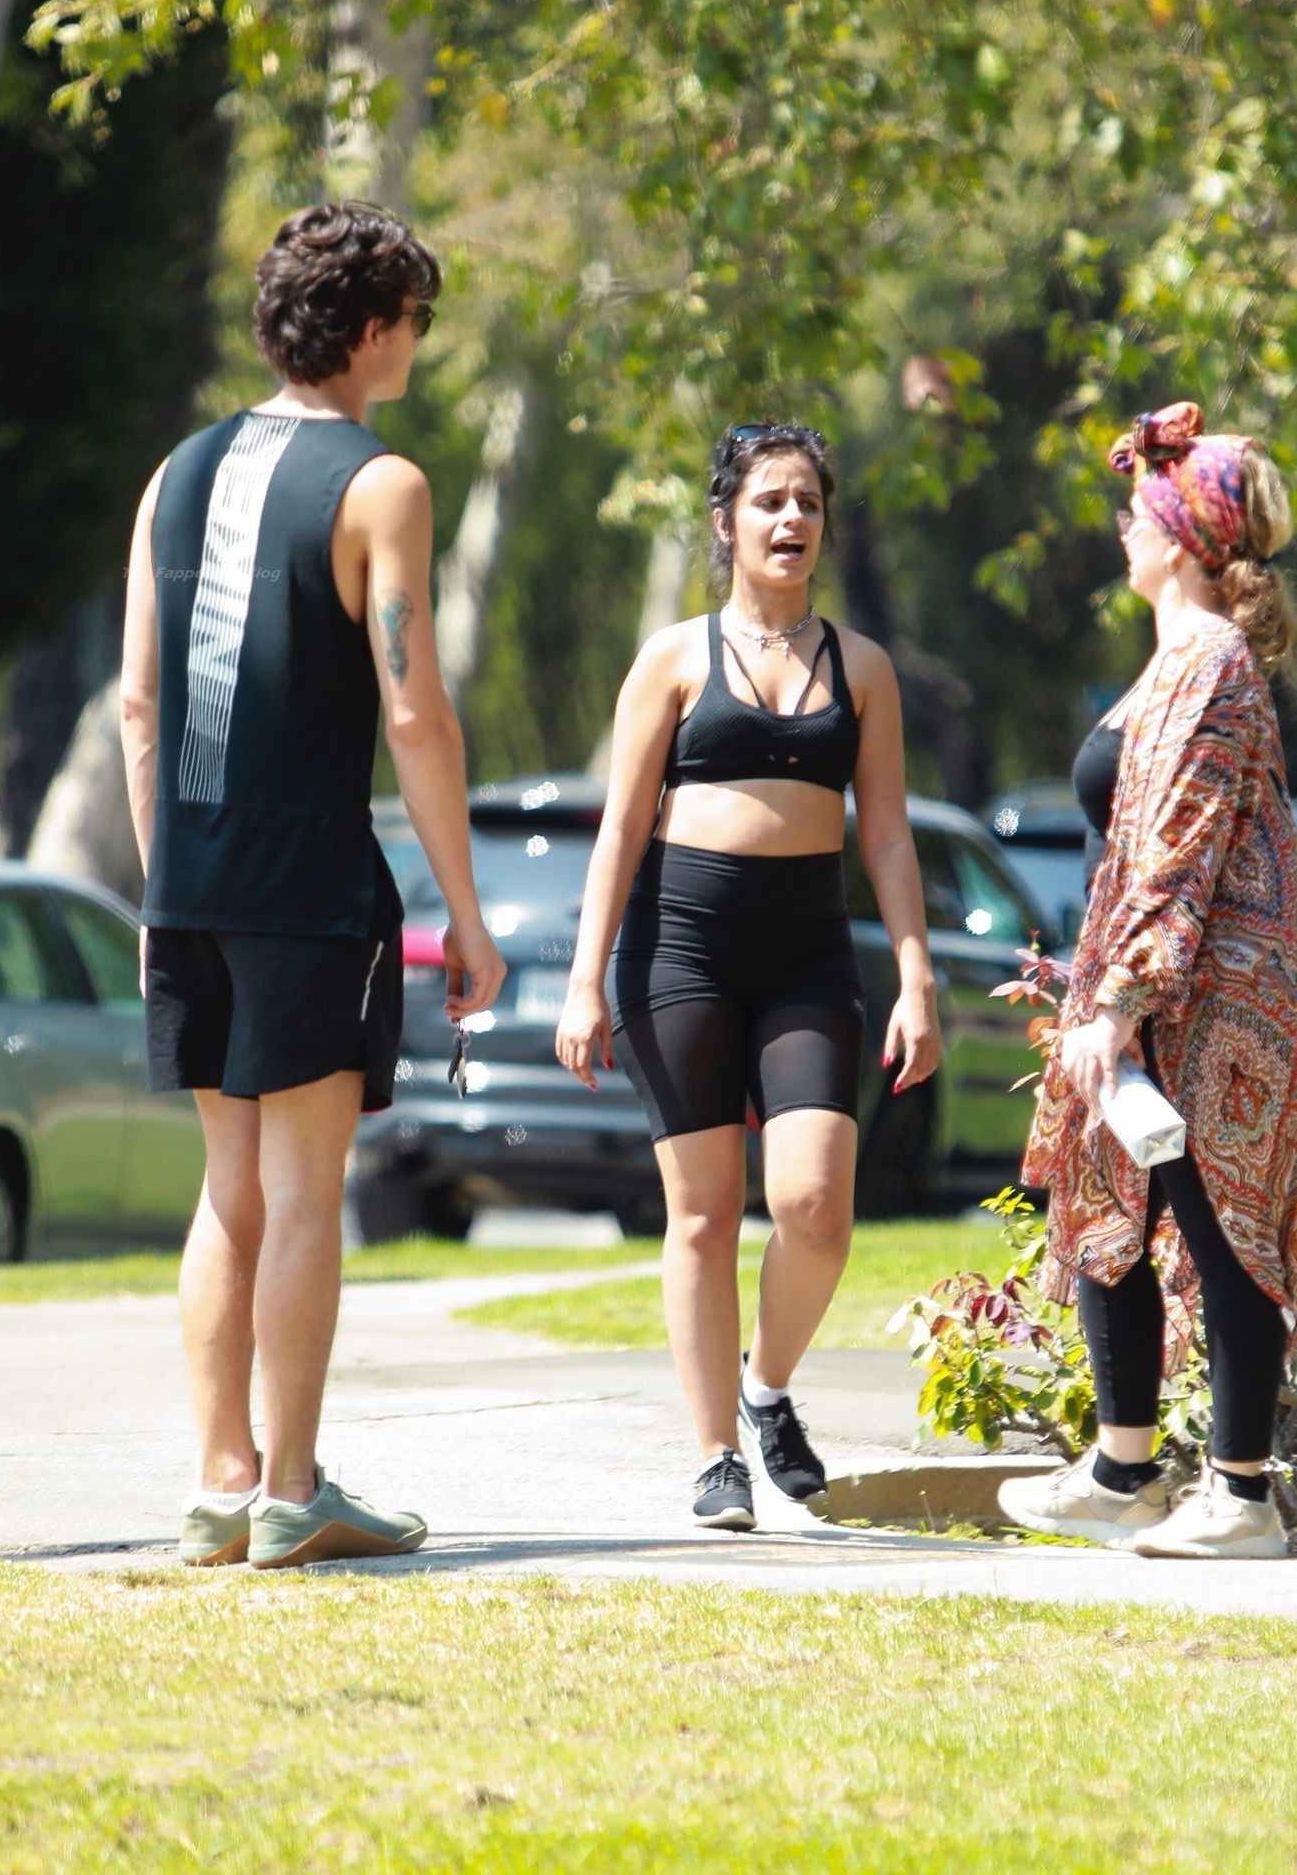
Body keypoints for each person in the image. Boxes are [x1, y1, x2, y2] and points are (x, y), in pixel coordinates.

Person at [120, 200, 505, 1570]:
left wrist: (169, 885)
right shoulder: (381, 483)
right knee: (300, 1193)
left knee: (227, 1191)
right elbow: (416, 716)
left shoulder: (176, 472)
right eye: (415, 318)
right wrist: (465, 916)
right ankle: (292, 1491)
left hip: (190, 887)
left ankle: (221, 1483)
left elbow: (137, 704)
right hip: (308, 892)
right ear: (374, 327)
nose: (417, 341)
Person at [555, 422, 940, 1530]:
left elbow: (887, 837)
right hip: (678, 949)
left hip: (808, 953)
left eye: (807, 502)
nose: (790, 519)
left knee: (815, 1204)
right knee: (705, 1212)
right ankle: (716, 1455)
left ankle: (764, 1389)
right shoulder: (673, 659)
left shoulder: (862, 668)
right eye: (769, 500)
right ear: (725, 523)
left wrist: (915, 977)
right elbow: (620, 830)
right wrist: (584, 980)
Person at [999, 401, 1297, 1559]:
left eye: (1135, 514)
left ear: (1178, 539)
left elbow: (1175, 850)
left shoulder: (1210, 666)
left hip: (1223, 994)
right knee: (1108, 1202)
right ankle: (1122, 1474)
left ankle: (1241, 1500)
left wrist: (1116, 1002)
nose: (1120, 529)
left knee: (1221, 1224)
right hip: (1162, 984)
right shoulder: (1173, 661)